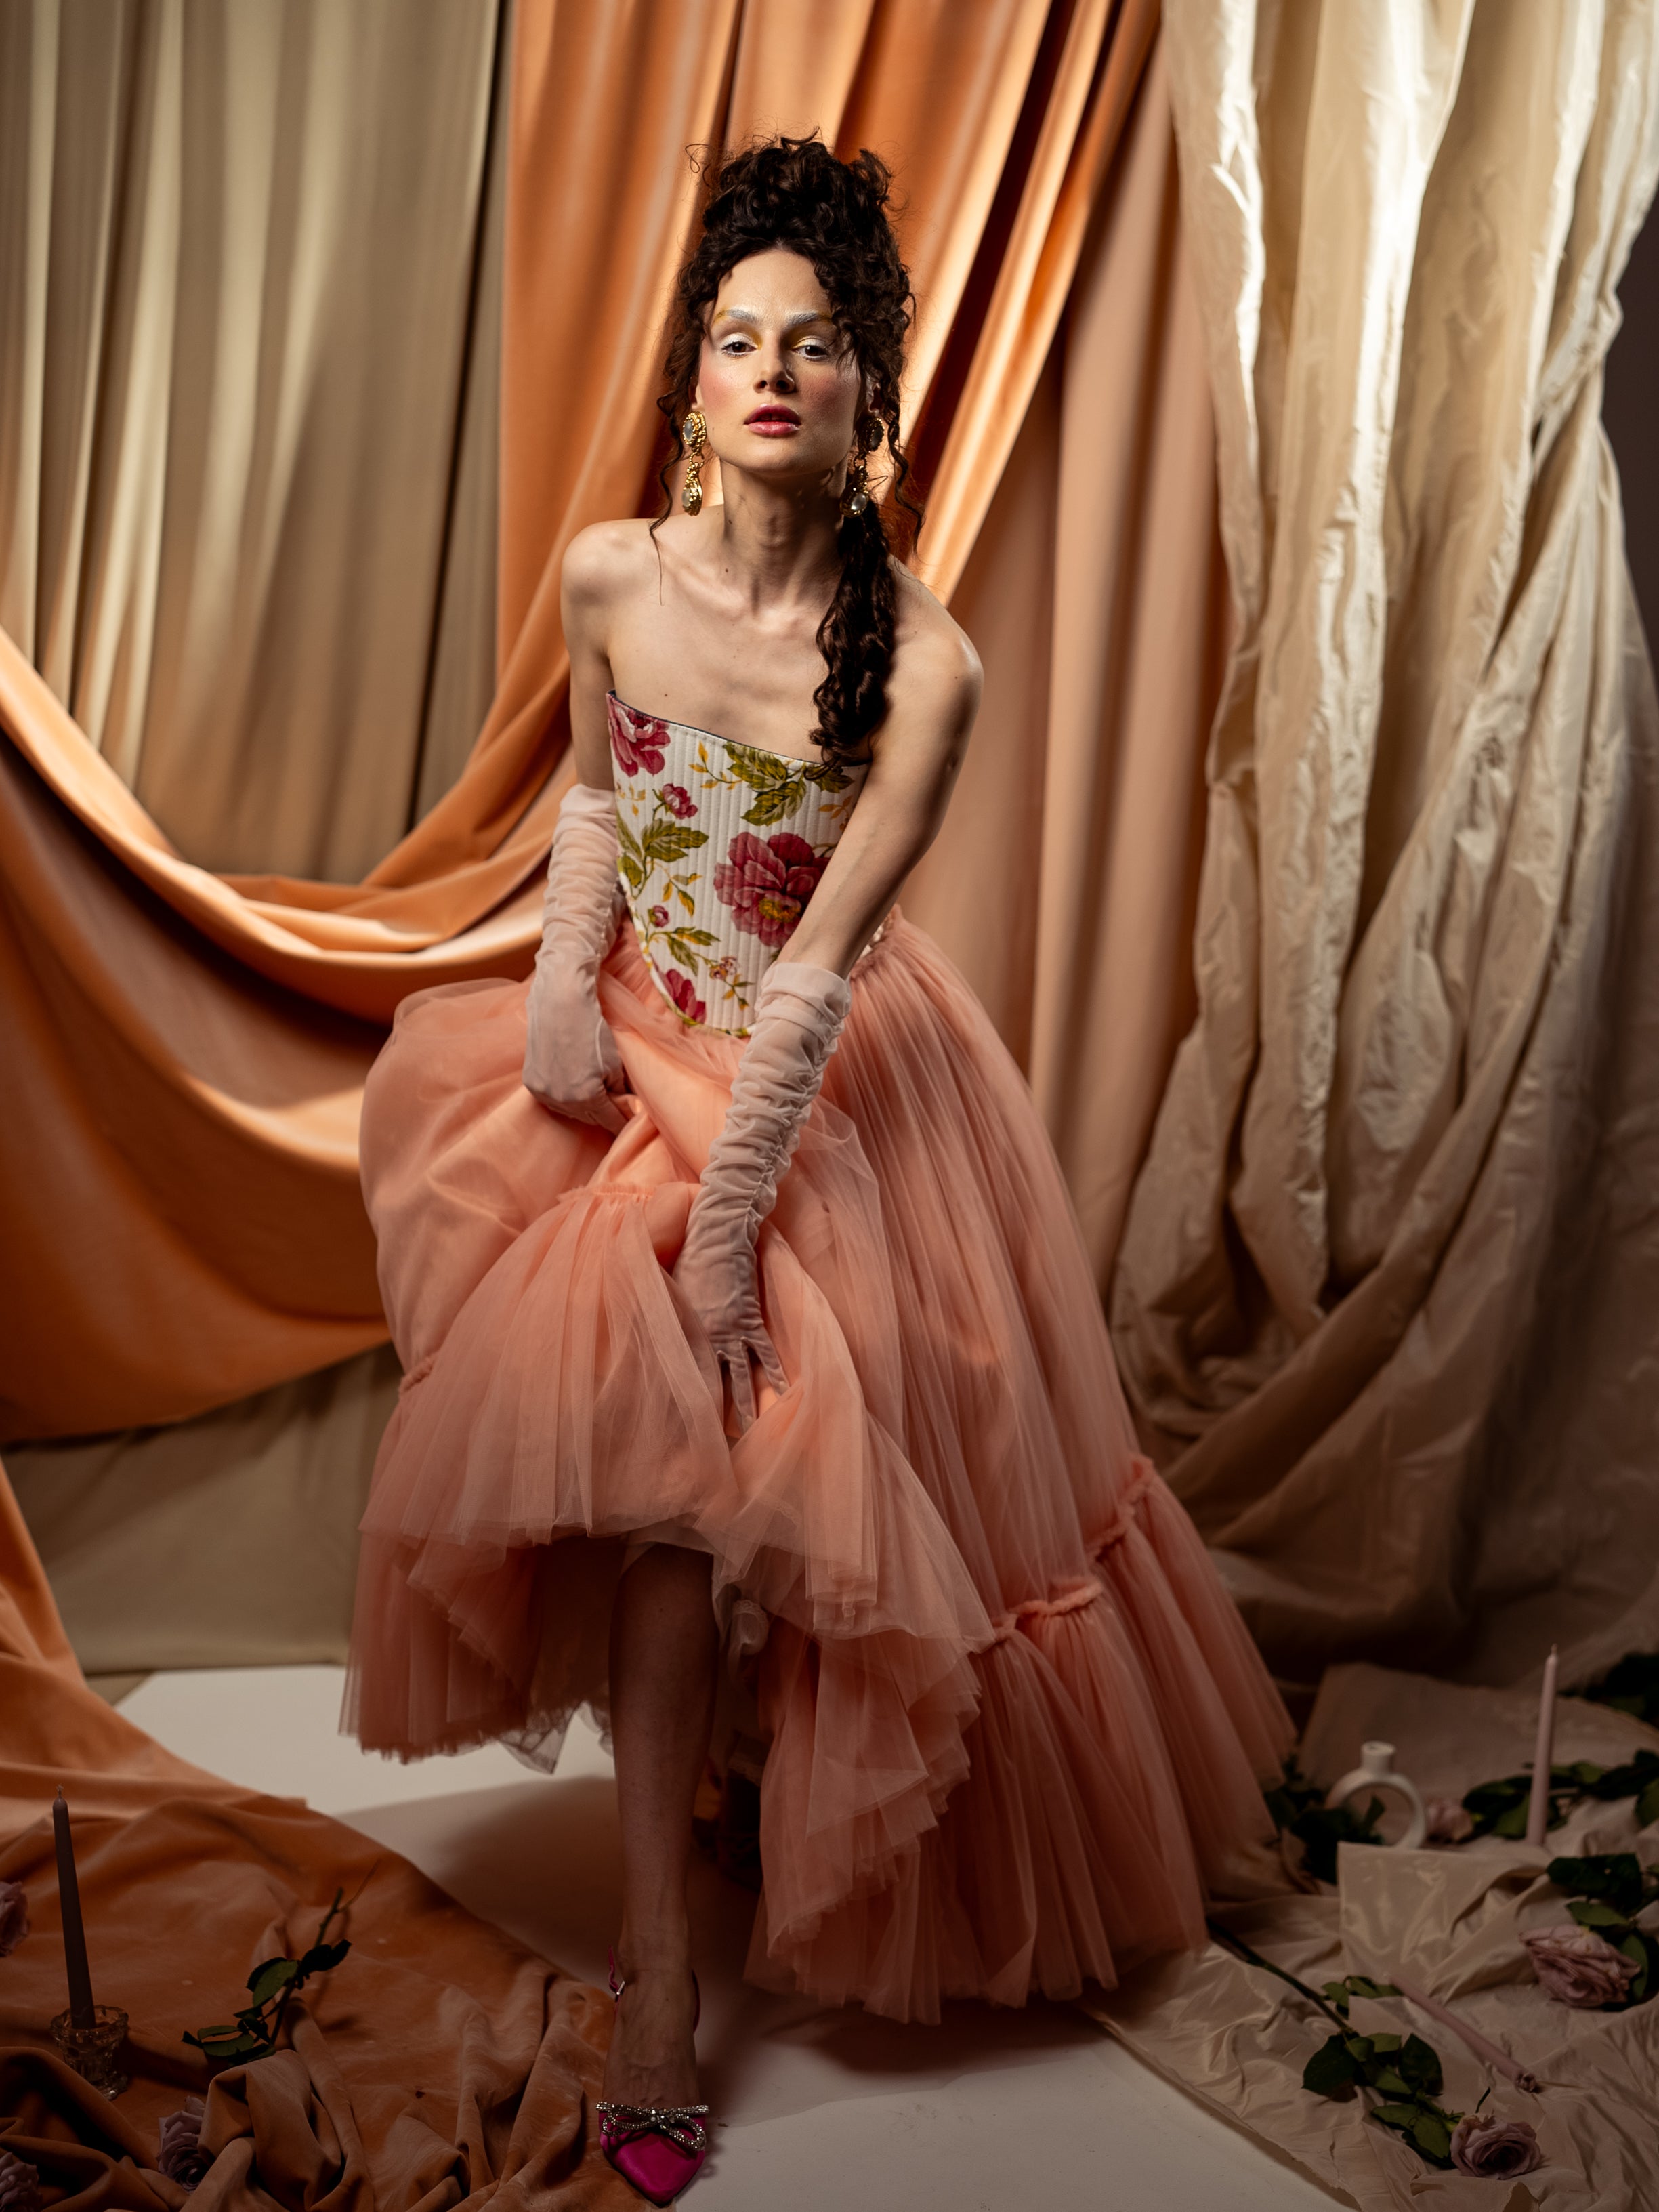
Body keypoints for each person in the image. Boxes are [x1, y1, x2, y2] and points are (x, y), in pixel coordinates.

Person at [345, 136, 1291, 2205]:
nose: (771, 371)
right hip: (634, 1052)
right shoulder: (611, 574)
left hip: (823, 1089)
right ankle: (661, 1964)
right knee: (662, 1490)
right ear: (694, 382)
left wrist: (727, 1234)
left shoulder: (924, 662)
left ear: (869, 391)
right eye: (737, 339)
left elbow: (810, 986)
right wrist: (561, 976)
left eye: (815, 344)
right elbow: (595, 801)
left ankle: (738, 1834)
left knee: (794, 1440)